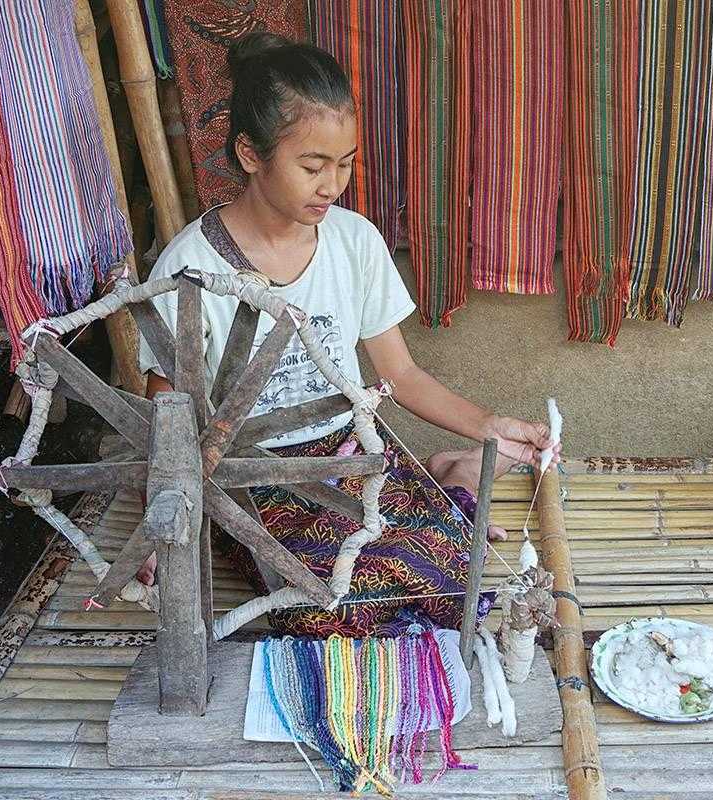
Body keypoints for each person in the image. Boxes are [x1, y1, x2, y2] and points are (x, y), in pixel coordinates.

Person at [137, 32, 558, 637]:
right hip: (249, 477)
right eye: (312, 166)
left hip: (350, 453)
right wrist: (161, 518)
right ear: (251, 154)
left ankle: (454, 469)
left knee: (454, 576)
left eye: (345, 163)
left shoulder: (354, 241)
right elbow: (165, 408)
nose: (332, 184)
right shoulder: (189, 268)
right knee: (328, 606)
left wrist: (490, 426)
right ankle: (452, 486)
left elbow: (401, 373)